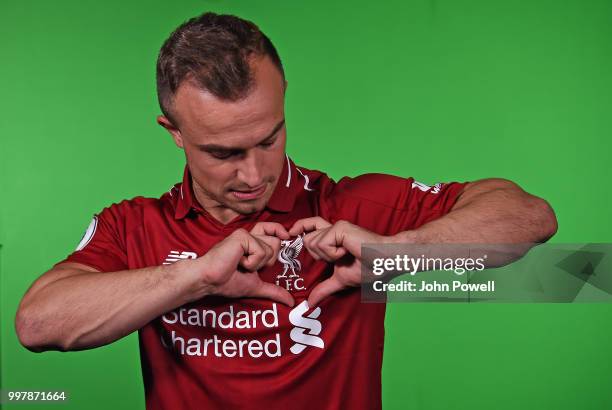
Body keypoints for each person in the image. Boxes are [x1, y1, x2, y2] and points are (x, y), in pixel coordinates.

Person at [14, 12, 557, 410]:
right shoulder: (134, 226)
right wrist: (195, 277)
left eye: (269, 139)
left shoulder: (349, 207)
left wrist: (400, 255)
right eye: (223, 153)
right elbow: (37, 323)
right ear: (174, 133)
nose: (252, 175)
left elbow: (530, 218)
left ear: (283, 102)